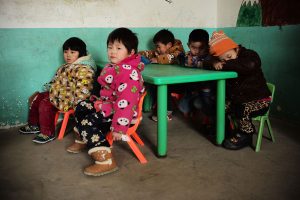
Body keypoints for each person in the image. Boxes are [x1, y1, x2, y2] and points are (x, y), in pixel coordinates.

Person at [68, 28, 145, 176]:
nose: (112, 52)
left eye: (118, 48)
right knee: (81, 106)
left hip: (122, 116)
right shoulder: (116, 66)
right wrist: (99, 103)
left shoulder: (129, 74)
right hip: (109, 106)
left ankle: (106, 160)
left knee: (87, 122)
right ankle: (83, 138)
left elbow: (126, 103)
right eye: (110, 47)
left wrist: (119, 127)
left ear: (131, 52)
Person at [19, 37, 96, 144]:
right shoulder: (65, 66)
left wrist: (78, 104)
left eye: (72, 52)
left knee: (46, 103)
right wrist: (50, 88)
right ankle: (34, 125)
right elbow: (57, 81)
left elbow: (83, 90)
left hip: (71, 99)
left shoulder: (85, 69)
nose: (68, 55)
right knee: (38, 97)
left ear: (81, 53)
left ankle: (47, 133)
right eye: (65, 52)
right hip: (60, 94)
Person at [209, 30, 271, 150]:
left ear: (236, 48)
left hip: (260, 100)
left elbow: (250, 65)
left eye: (229, 56)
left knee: (242, 109)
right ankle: (226, 129)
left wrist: (225, 65)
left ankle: (246, 135)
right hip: (239, 99)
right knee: (221, 105)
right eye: (224, 60)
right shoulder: (222, 59)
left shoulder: (250, 55)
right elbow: (205, 61)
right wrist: (214, 62)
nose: (228, 60)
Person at [139, 29, 184, 121]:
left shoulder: (177, 51)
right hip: (170, 79)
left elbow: (171, 58)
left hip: (181, 82)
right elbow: (151, 53)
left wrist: (157, 59)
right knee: (157, 86)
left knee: (165, 87)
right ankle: (161, 108)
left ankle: (167, 112)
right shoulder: (161, 52)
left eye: (159, 47)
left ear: (169, 45)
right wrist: (139, 55)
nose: (157, 49)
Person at [176, 29, 215, 123]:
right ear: (188, 45)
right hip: (192, 88)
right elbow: (180, 58)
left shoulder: (209, 56)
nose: (197, 51)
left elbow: (208, 63)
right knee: (182, 106)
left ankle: (211, 119)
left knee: (203, 104)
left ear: (207, 46)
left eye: (201, 48)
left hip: (206, 89)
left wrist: (194, 63)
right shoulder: (187, 55)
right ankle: (193, 113)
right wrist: (182, 59)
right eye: (193, 47)